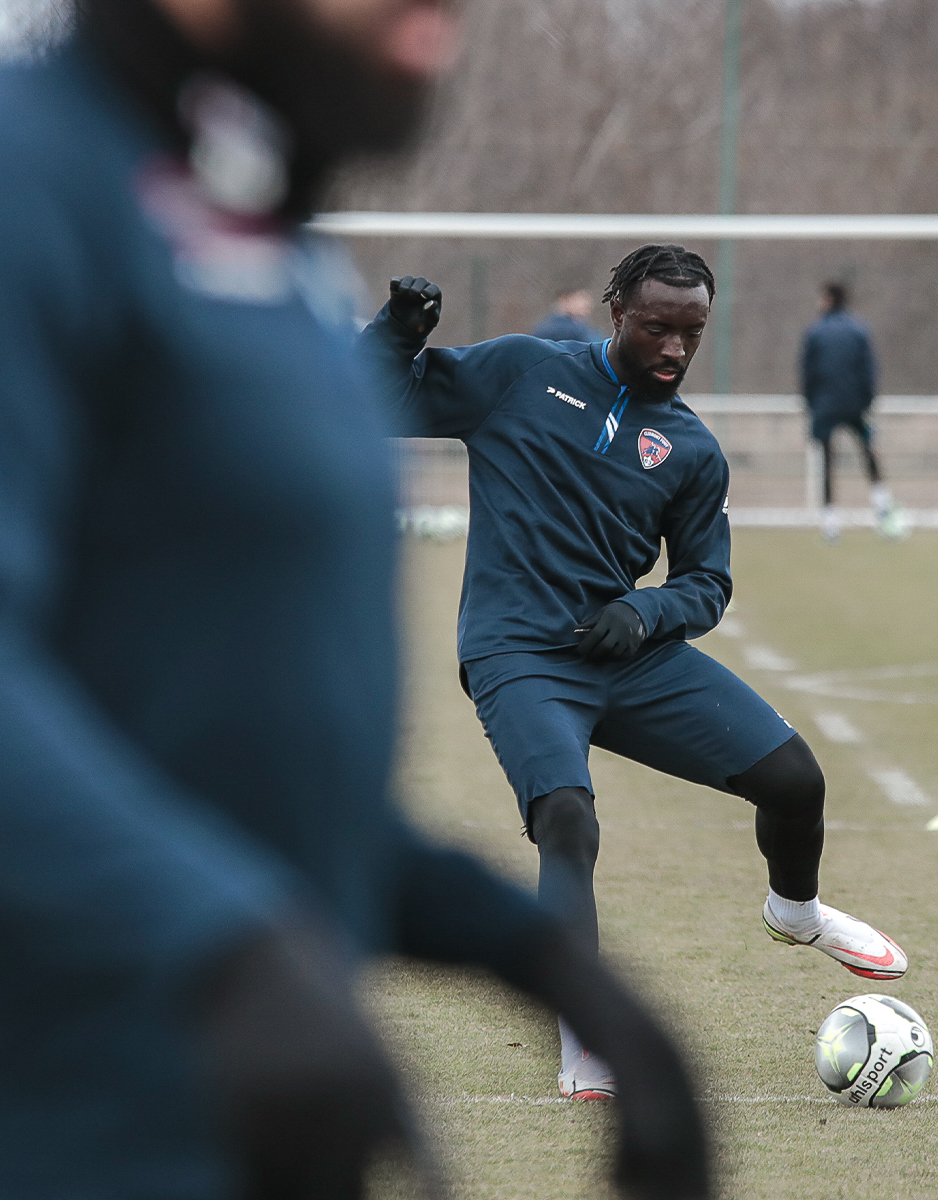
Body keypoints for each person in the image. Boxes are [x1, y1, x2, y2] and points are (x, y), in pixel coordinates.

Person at [0, 2, 709, 1198]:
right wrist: (228, 948)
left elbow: (236, 767)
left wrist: (540, 957)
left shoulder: (270, 238)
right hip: (7, 1138)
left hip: (254, 1128)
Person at [359, 246, 909, 1103]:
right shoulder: (521, 372)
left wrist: (645, 612)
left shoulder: (691, 449)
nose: (675, 349)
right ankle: (583, 1037)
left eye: (691, 333)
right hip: (518, 656)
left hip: (628, 657)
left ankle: (794, 913)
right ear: (616, 311)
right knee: (568, 821)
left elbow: (708, 581)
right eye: (658, 328)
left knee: (796, 781)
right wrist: (397, 333)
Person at [800, 281, 890, 541]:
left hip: (825, 405)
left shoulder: (816, 332)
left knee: (827, 461)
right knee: (868, 451)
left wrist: (810, 403)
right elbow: (869, 371)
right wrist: (868, 401)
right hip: (855, 405)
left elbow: (807, 372)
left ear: (828, 299)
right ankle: (882, 505)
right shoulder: (859, 331)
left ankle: (830, 522)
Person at [532, 284, 601, 342]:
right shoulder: (556, 329)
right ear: (565, 299)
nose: (588, 305)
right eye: (581, 298)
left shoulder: (584, 328)